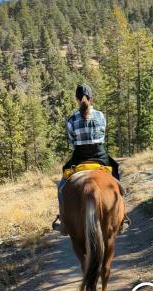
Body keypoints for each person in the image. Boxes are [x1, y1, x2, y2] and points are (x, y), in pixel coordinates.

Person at [53, 83, 128, 234]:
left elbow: (71, 141)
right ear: (91, 98)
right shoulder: (100, 116)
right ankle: (122, 216)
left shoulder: (71, 119)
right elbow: (102, 136)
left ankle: (63, 219)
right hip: (99, 155)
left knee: (62, 186)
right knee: (116, 175)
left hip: (79, 156)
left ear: (76, 99)